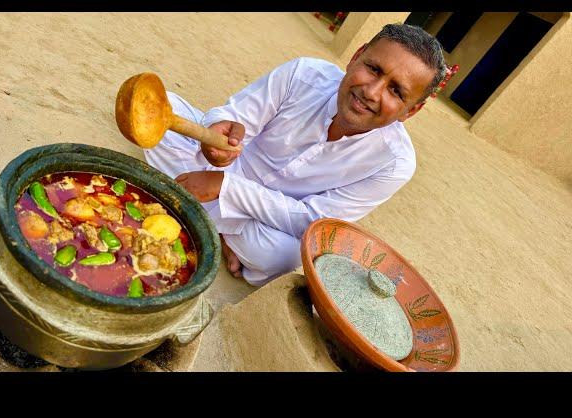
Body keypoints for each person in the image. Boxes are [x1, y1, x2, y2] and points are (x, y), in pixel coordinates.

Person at [143, 23, 447, 286]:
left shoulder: (394, 164)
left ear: (412, 110)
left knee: (284, 256)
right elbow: (236, 117)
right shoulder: (303, 74)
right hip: (228, 169)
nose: (372, 91)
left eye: (396, 91)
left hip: (270, 219)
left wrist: (227, 188)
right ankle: (218, 232)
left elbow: (313, 220)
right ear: (357, 56)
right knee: (164, 111)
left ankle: (198, 213)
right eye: (374, 69)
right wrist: (216, 135)